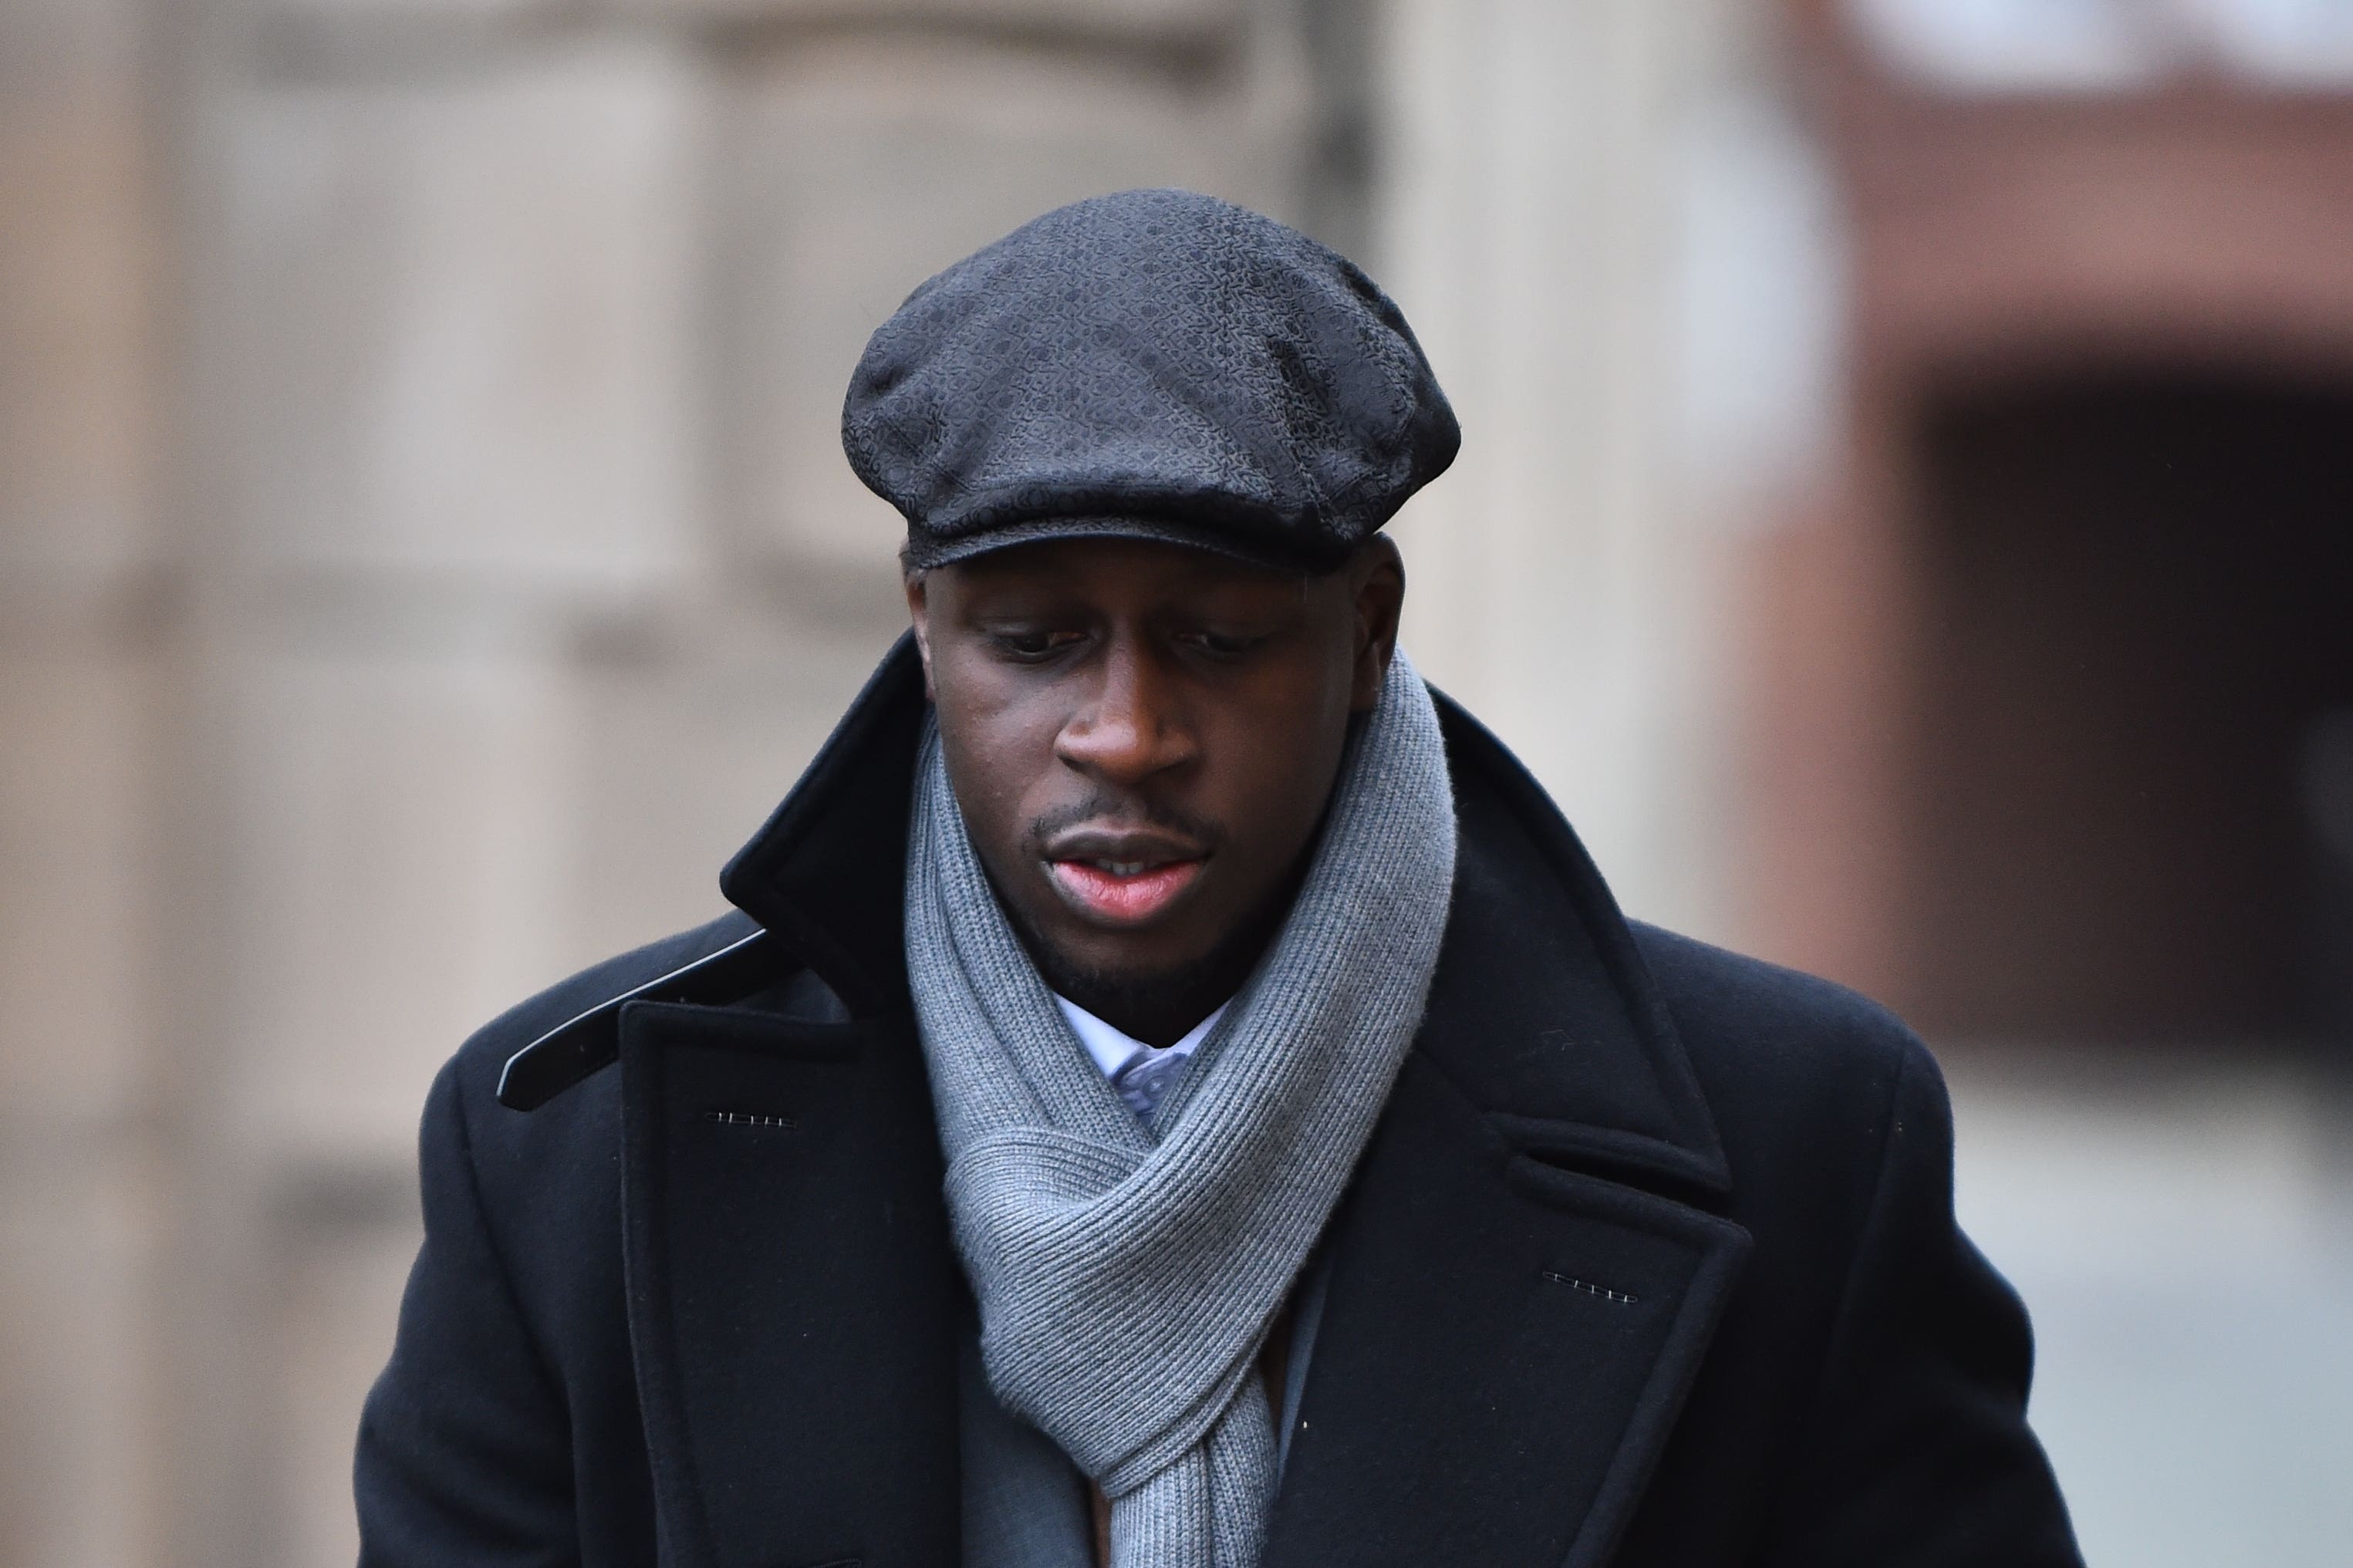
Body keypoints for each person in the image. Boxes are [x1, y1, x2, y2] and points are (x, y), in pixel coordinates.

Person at [354, 189, 2081, 1568]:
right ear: (923, 636)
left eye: (1216, 640)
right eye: (1034, 644)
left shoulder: (1798, 1142)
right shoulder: (560, 1154)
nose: (1124, 732)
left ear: (1366, 634)